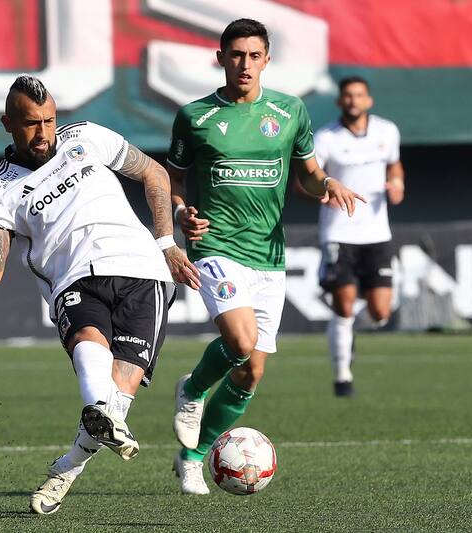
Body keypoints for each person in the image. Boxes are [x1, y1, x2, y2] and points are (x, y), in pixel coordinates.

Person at [0, 74, 200, 514]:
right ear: (7, 124)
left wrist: (166, 243)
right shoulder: (0, 192)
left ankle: (67, 468)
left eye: (50, 120)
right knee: (89, 353)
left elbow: (154, 172)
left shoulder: (87, 137)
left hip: (142, 270)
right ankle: (96, 416)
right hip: (74, 278)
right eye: (32, 123)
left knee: (118, 396)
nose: (43, 132)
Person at [166, 19, 365, 494]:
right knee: (239, 341)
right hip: (216, 247)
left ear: (267, 60)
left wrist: (328, 183)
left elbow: (309, 174)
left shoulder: (290, 111)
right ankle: (192, 390)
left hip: (269, 255)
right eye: (236, 55)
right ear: (221, 58)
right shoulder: (195, 116)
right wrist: (179, 212)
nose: (245, 64)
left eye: (254, 56)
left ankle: (193, 457)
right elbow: (170, 179)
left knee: (251, 370)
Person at [312, 76, 405, 397]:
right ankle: (342, 375)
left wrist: (397, 185)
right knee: (344, 304)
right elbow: (309, 178)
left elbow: (395, 167)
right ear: (340, 102)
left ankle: (347, 333)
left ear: (369, 100)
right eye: (347, 96)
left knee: (380, 313)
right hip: (339, 232)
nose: (353, 101)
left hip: (377, 232)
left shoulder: (387, 131)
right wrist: (319, 191)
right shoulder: (326, 138)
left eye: (359, 95)